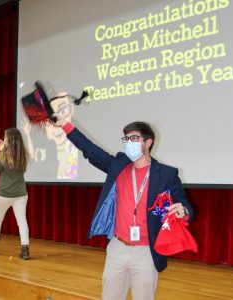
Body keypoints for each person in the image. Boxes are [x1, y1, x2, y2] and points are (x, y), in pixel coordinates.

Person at [54, 115, 194, 300]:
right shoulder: (118, 165)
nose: (129, 143)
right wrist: (65, 124)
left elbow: (185, 205)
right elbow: (89, 149)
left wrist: (183, 211)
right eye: (126, 139)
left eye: (134, 138)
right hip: (117, 248)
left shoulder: (166, 174)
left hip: (146, 251)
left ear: (148, 142)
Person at [0, 128, 30, 260]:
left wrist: (1, 151)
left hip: (3, 194)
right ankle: (25, 250)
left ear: (10, 139)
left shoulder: (4, 154)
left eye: (5, 137)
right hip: (21, 194)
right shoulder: (23, 154)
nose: (4, 138)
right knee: (22, 221)